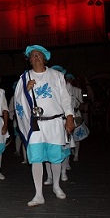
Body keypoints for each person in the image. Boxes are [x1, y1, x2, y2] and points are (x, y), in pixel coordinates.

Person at [14, 45, 75, 207]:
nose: (36, 58)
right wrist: (26, 91)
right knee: (36, 159)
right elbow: (17, 102)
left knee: (55, 157)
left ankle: (56, 186)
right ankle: (38, 194)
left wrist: (69, 116)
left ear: (45, 58)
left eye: (38, 55)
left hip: (55, 122)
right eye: (32, 56)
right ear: (29, 60)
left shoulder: (56, 76)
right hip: (35, 125)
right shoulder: (24, 78)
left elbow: (65, 98)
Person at [66, 73, 90, 162]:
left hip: (76, 114)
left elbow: (81, 104)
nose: (68, 80)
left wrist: (78, 106)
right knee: (68, 136)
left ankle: (76, 154)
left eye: (70, 79)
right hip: (66, 115)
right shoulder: (62, 89)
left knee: (77, 136)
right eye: (67, 79)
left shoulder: (78, 90)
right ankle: (70, 153)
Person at [8, 81, 27, 164]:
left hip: (28, 122)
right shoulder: (14, 98)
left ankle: (28, 157)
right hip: (18, 122)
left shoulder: (27, 96)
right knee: (19, 137)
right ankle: (18, 151)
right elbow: (10, 110)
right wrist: (13, 117)